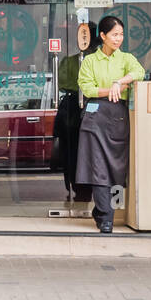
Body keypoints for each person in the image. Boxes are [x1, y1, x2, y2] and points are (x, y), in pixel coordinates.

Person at [76, 15, 146, 233]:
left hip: (118, 117)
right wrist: (111, 91)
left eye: (121, 35)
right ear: (103, 36)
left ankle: (106, 211)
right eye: (115, 35)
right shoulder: (90, 61)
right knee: (98, 168)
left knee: (117, 168)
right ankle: (106, 217)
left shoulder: (125, 58)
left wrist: (120, 82)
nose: (119, 39)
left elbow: (139, 73)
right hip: (95, 117)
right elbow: (87, 88)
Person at [53, 22, 101, 204]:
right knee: (90, 151)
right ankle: (86, 189)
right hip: (89, 106)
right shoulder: (98, 61)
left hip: (73, 108)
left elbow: (63, 82)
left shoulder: (70, 61)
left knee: (72, 152)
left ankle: (77, 187)